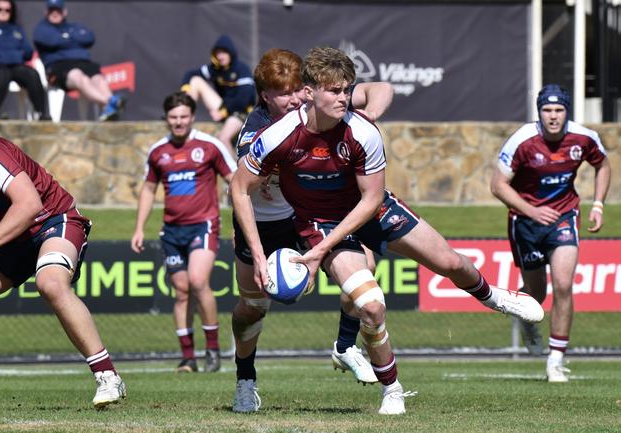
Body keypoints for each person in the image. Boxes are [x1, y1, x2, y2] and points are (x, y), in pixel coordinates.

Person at [231, 46, 544, 415]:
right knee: (372, 305)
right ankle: (391, 388)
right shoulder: (276, 135)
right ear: (310, 91)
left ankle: (494, 298)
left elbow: (371, 198)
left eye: (348, 90)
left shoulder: (363, 131)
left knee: (450, 262)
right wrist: (281, 252)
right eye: (335, 91)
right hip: (321, 223)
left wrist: (318, 252)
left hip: (371, 209)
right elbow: (239, 188)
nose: (343, 98)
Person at [230, 47, 395, 413]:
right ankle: (245, 378)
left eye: (297, 90)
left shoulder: (315, 104)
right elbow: (239, 187)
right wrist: (259, 255)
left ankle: (345, 344)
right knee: (252, 307)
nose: (293, 100)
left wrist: (368, 115)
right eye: (283, 93)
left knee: (363, 267)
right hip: (262, 224)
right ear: (265, 96)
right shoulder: (256, 132)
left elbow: (381, 87)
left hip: (306, 215)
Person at [0, 133, 126, 409]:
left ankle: (107, 376)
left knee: (51, 283)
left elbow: (30, 205)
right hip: (12, 239)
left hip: (53, 219)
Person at [490, 84, 611, 383]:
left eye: (559, 110)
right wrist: (532, 211)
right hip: (526, 222)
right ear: (539, 112)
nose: (553, 116)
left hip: (564, 216)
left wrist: (597, 204)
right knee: (537, 293)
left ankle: (555, 360)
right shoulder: (523, 140)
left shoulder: (584, 138)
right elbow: (498, 185)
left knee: (563, 284)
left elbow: (603, 165)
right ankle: (528, 321)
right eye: (547, 110)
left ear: (567, 112)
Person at [131, 92, 237, 373]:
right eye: (173, 117)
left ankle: (212, 349)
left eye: (184, 117)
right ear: (166, 119)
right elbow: (148, 189)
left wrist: (241, 220)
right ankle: (188, 357)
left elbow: (234, 180)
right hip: (171, 231)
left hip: (203, 225)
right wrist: (139, 228)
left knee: (198, 281)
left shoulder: (210, 146)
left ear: (192, 117)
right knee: (181, 292)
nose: (178, 122)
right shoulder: (158, 152)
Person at [32, 0, 124, 121]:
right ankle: (110, 103)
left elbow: (89, 38)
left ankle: (109, 110)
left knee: (99, 79)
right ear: (46, 12)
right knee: (79, 77)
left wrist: (65, 38)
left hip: (84, 63)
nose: (55, 13)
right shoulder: (41, 29)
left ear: (64, 12)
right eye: (51, 10)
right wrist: (73, 38)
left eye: (58, 10)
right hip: (58, 68)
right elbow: (52, 41)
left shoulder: (75, 26)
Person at [0, 0, 48, 120]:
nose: (3, 12)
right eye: (0, 9)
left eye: (7, 10)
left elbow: (28, 52)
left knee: (32, 74)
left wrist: (3, 53)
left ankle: (41, 114)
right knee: (2, 72)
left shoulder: (16, 30)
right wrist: (14, 54)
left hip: (14, 67)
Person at [180, 35, 256, 151]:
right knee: (195, 80)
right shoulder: (215, 69)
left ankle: (232, 169)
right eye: (218, 53)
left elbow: (244, 99)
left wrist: (223, 111)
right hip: (223, 108)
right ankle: (185, 115)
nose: (220, 56)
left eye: (224, 52)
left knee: (222, 138)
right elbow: (190, 74)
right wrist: (186, 89)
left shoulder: (241, 69)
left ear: (231, 53)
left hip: (241, 113)